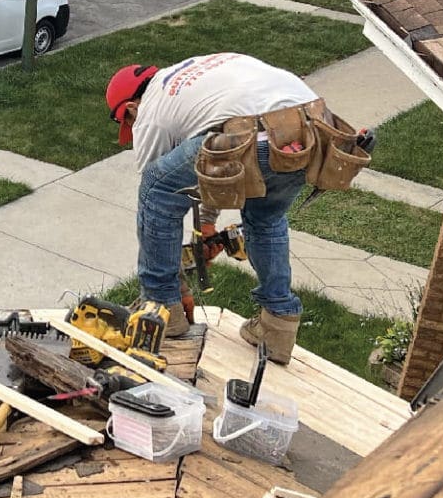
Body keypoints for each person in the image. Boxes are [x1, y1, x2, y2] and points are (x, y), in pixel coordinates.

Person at [105, 53, 334, 364]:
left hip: (253, 132)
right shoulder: (191, 75)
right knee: (266, 218)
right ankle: (278, 326)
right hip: (314, 128)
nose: (132, 127)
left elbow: (161, 196)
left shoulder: (151, 113)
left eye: (127, 123)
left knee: (155, 189)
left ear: (131, 108)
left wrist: (176, 287)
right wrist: (207, 227)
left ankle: (161, 306)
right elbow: (203, 172)